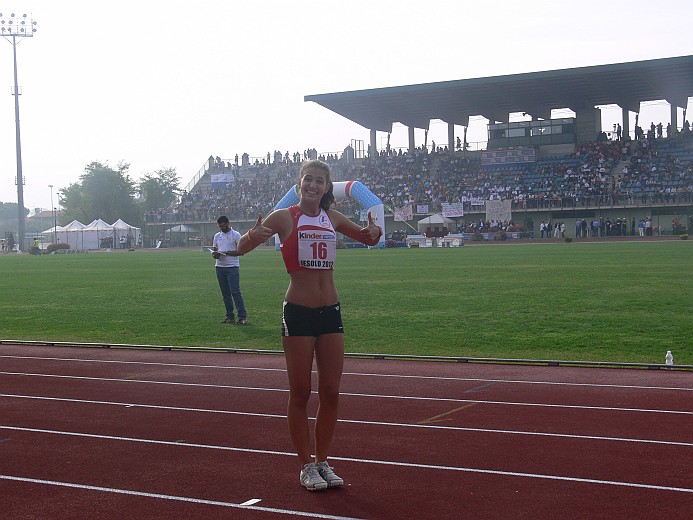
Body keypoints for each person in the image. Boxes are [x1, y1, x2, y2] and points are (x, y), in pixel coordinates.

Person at [237, 160, 382, 491]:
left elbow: (367, 238)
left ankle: (323, 461)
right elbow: (241, 248)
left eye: (320, 181)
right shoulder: (285, 217)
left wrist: (374, 232)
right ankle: (306, 465)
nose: (314, 185)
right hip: (299, 312)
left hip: (330, 311)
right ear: (299, 183)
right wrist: (251, 235)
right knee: (300, 392)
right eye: (308, 180)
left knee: (331, 392)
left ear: (327, 187)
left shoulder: (332, 218)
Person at [212, 215, 247, 324]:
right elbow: (215, 251)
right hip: (219, 267)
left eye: (223, 226)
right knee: (225, 293)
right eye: (219, 226)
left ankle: (242, 317)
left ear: (227, 223)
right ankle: (230, 316)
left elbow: (241, 251)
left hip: (232, 267)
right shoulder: (217, 236)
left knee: (235, 292)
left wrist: (225, 253)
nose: (221, 228)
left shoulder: (236, 235)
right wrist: (216, 255)